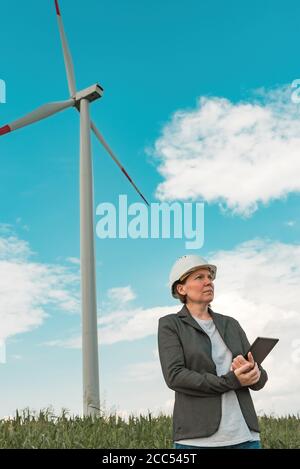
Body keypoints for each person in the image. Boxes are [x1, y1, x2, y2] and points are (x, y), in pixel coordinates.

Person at [157, 254, 268, 449]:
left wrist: (255, 373)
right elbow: (175, 376)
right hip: (197, 440)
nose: (208, 282)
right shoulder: (170, 325)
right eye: (199, 278)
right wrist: (233, 380)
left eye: (210, 277)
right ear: (181, 288)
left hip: (245, 437)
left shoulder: (231, 324)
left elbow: (259, 379)